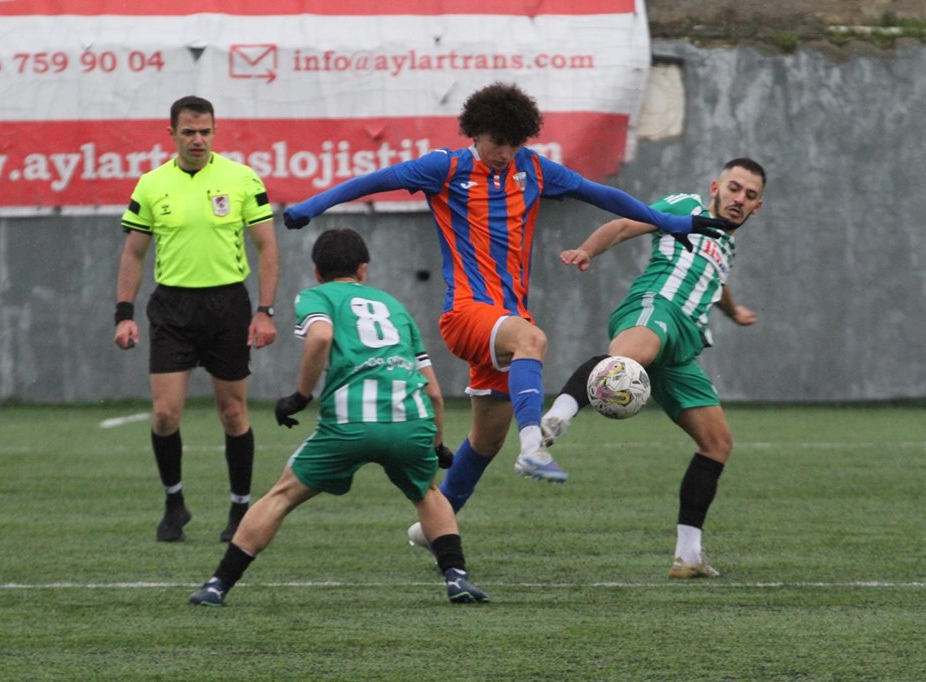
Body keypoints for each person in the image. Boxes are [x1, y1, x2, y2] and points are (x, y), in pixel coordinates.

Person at [282, 83, 729, 534]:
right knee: (532, 340)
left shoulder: (532, 168)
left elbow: (601, 195)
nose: (505, 153)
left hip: (504, 321)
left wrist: (669, 221)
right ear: (475, 132)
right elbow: (372, 181)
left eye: (514, 143)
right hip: (466, 313)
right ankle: (533, 446)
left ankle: (433, 530)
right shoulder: (445, 168)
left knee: (485, 440)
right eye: (498, 142)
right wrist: (311, 206)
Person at [189, 228, 488, 606]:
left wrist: (300, 396)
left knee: (281, 495)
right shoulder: (394, 307)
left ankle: (218, 585)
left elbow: (320, 337)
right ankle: (457, 577)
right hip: (410, 420)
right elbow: (433, 391)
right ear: (363, 269)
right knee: (428, 493)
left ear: (317, 271)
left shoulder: (315, 296)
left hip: (349, 424)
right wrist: (438, 444)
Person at [539, 157, 767, 578]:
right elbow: (625, 224)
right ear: (715, 187)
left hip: (683, 348)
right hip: (656, 306)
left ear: (758, 206)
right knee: (625, 362)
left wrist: (734, 312)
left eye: (750, 195)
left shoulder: (726, 246)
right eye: (734, 188)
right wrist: (588, 249)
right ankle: (556, 417)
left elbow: (716, 284)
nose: (739, 199)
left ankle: (689, 555)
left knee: (717, 443)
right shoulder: (685, 207)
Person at [113, 95, 279, 543]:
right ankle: (175, 504)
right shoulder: (151, 184)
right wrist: (124, 315)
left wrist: (265, 311)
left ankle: (240, 509)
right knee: (165, 414)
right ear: (172, 134)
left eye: (205, 131)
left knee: (233, 412)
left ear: (214, 131)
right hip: (172, 309)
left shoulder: (242, 179)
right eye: (188, 132)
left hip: (228, 307)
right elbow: (133, 253)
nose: (198, 140)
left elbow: (267, 248)